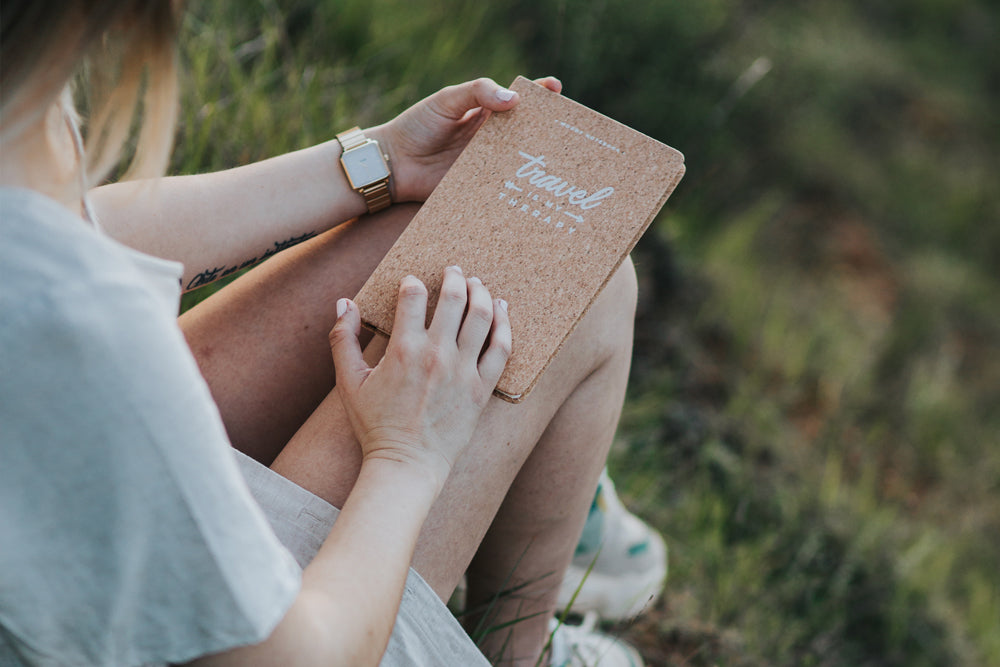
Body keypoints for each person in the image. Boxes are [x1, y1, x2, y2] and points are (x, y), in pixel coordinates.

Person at [0, 2, 647, 665]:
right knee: (584, 281)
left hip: (56, 498)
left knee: (453, 238)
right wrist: (407, 457)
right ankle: (514, 651)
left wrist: (381, 162)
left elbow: (66, 233)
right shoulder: (82, 323)